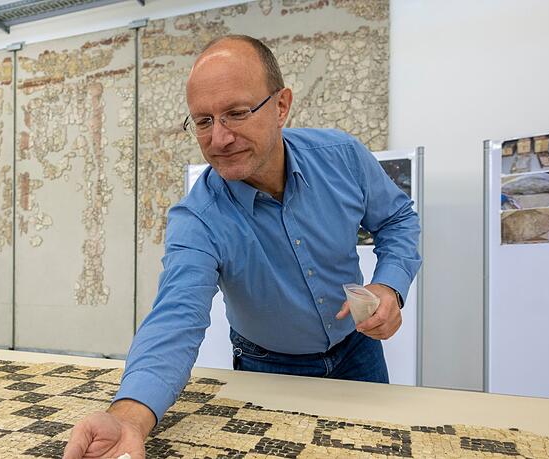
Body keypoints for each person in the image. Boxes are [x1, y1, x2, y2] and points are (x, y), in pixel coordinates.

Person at [63, 34, 421, 459]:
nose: (219, 139)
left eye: (235, 113)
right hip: (266, 366)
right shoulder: (198, 218)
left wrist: (389, 286)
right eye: (203, 121)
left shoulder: (342, 157)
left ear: (281, 106)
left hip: (358, 353)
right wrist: (128, 418)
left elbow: (398, 219)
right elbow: (176, 318)